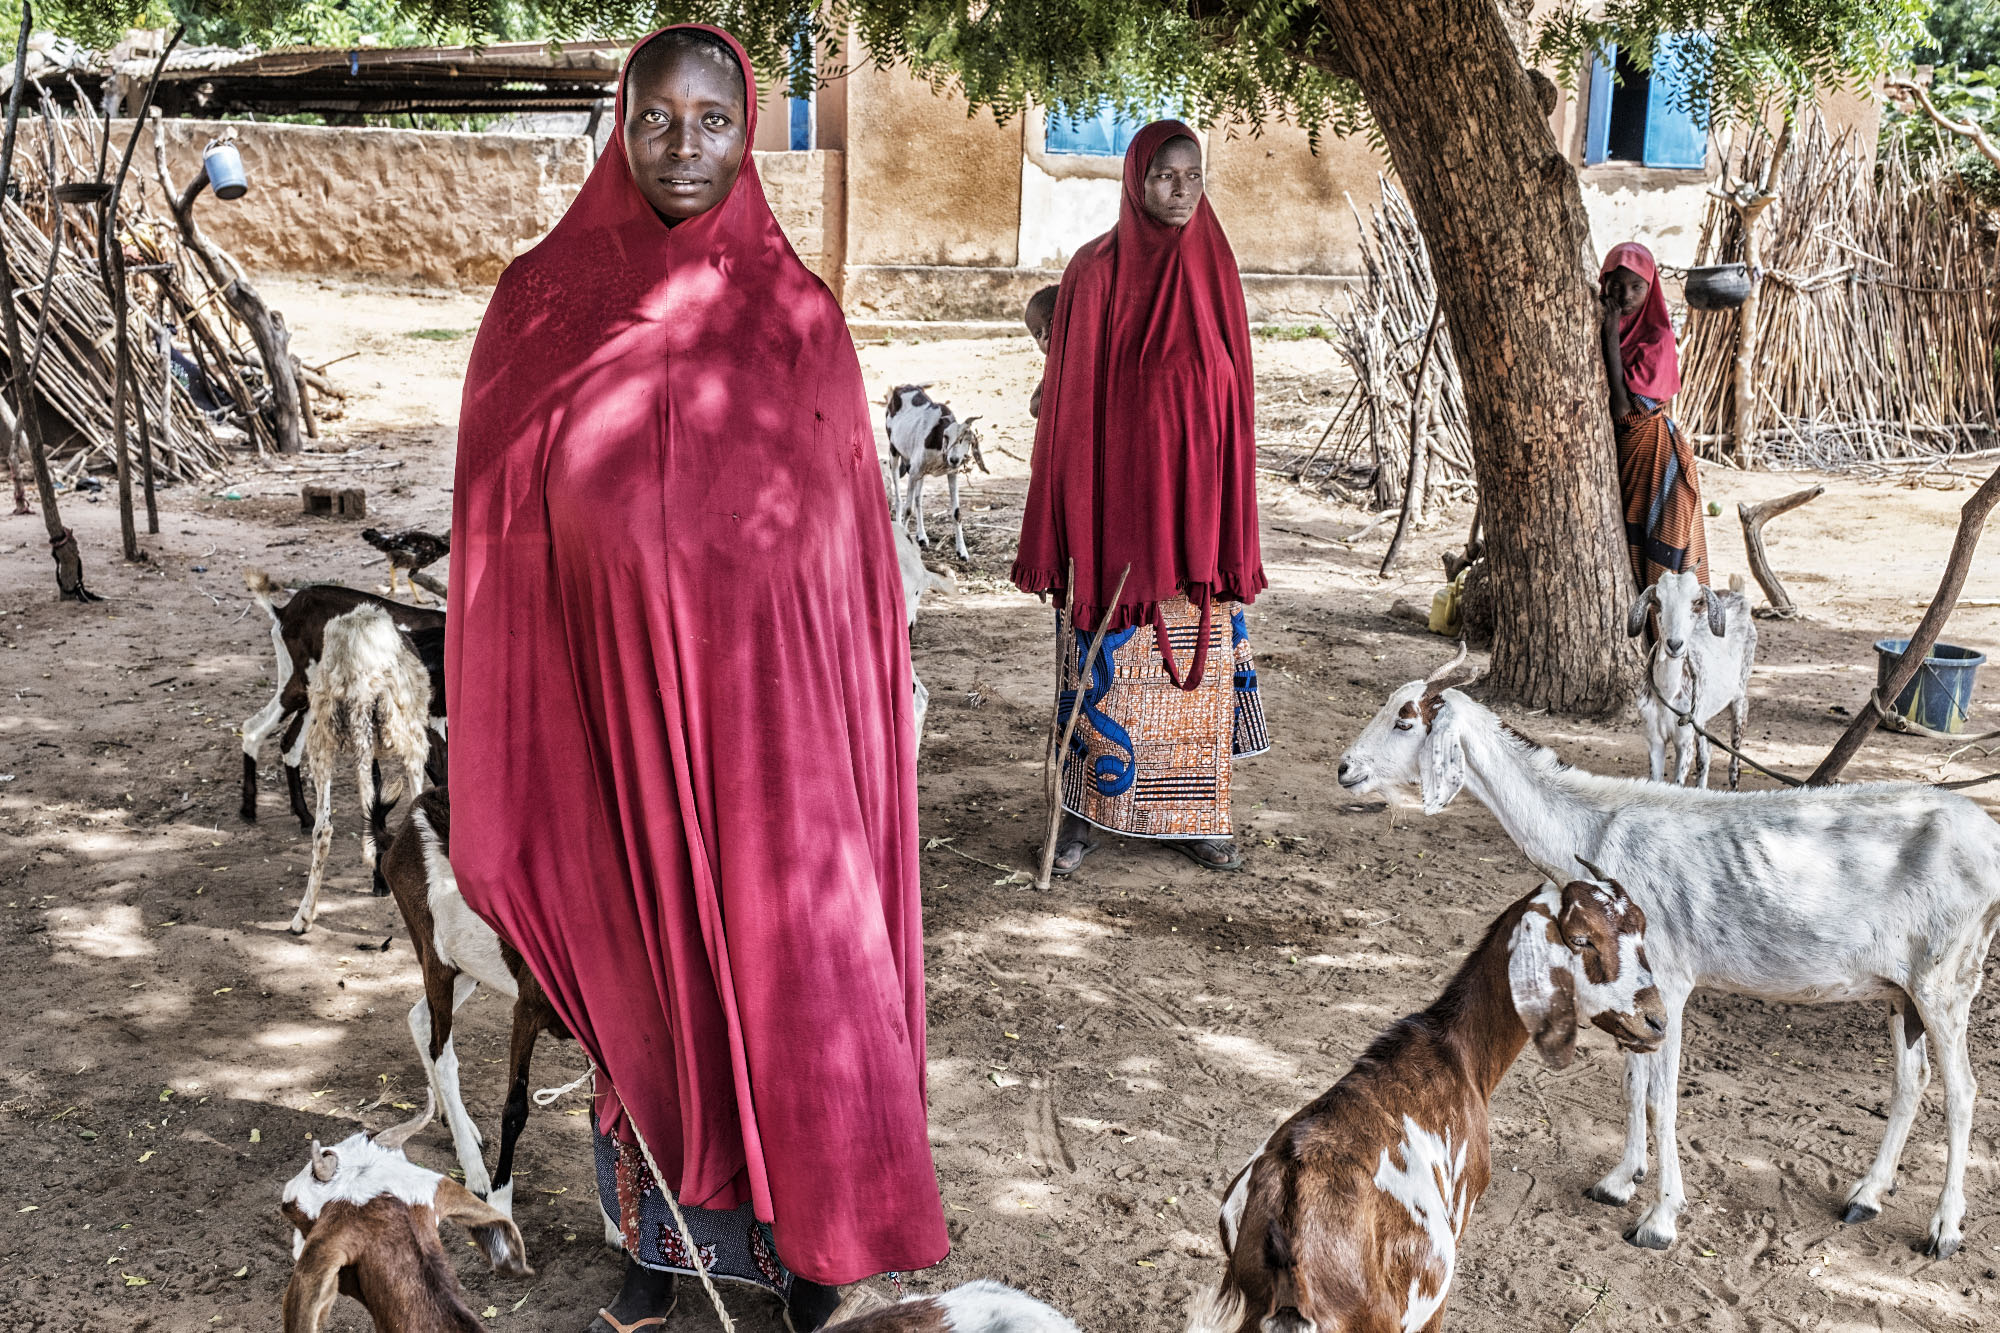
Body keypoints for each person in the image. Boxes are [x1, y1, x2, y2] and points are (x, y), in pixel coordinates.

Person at [447, 26, 947, 1333]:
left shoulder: (801, 323)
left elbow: (856, 583)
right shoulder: (541, 308)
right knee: (648, 984)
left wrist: (858, 737)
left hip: (783, 751)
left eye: (713, 120)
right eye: (656, 120)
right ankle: (658, 1247)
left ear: (750, 131)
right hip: (614, 728)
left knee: (796, 983)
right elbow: (501, 553)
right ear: (625, 125)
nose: (683, 147)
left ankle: (810, 1249)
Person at [1013, 122, 1269, 876]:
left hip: (1197, 524)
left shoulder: (1216, 269)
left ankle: (1195, 817)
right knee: (1103, 672)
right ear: (1135, 180)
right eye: (1164, 177)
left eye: (1193, 175)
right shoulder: (1095, 273)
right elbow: (1070, 408)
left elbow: (1238, 400)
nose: (1182, 190)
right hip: (1112, 522)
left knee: (1192, 673)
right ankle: (1085, 816)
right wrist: (1071, 521)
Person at [1600, 241, 1709, 591]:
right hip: (1628, 457)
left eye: (1636, 287)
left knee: (1660, 553)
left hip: (1654, 455)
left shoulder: (1657, 338)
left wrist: (1611, 335)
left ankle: (1664, 634)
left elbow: (1623, 410)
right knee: (1630, 545)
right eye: (1616, 285)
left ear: (1651, 288)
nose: (1625, 295)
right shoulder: (1598, 324)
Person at [1024, 284, 1057, 418]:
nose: (1046, 334)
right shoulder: (1053, 364)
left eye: (1051, 321)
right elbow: (1035, 407)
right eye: (1038, 334)